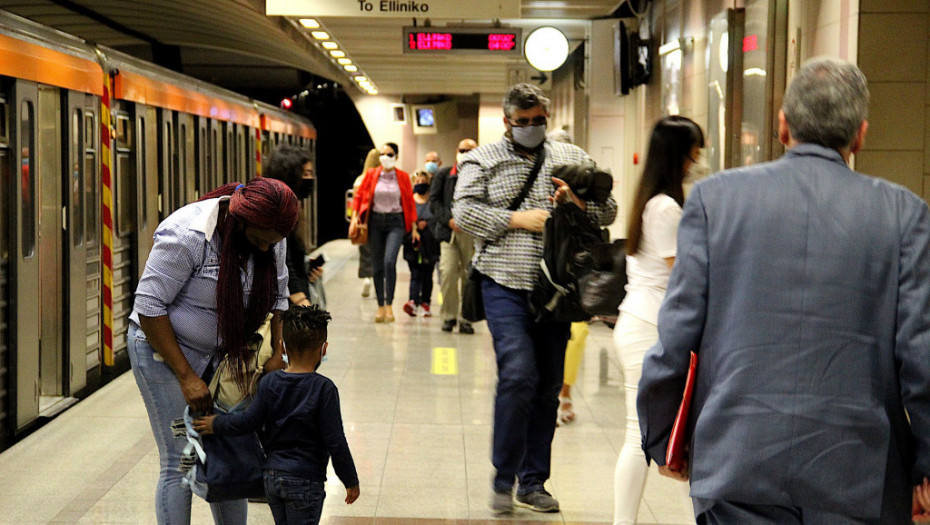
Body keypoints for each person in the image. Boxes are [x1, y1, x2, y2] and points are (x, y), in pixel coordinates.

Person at [638, 57, 930, 524]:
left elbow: (676, 334)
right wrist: (925, 465)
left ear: (782, 126)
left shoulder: (716, 201)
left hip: (737, 459)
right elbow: (921, 353)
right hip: (858, 473)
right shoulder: (904, 215)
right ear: (860, 135)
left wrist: (661, 436)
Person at [453, 83, 617, 513]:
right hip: (503, 283)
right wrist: (515, 218)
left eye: (536, 121)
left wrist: (576, 205)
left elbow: (609, 211)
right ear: (506, 121)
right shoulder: (482, 159)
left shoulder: (573, 157)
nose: (529, 127)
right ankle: (502, 477)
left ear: (546, 117)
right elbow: (463, 211)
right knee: (519, 374)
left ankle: (533, 481)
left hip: (557, 291)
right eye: (521, 122)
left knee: (546, 386)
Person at [127, 177, 299, 525]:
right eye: (260, 241)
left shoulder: (272, 238)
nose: (267, 250)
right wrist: (187, 377)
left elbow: (280, 297)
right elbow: (149, 305)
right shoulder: (187, 235)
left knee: (230, 452)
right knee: (181, 457)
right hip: (163, 355)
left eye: (274, 243)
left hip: (224, 359)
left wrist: (276, 355)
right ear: (241, 220)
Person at [611, 115, 704, 525]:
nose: (697, 159)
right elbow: (683, 272)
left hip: (638, 321)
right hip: (650, 327)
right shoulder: (665, 207)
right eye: (694, 150)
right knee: (641, 435)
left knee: (651, 434)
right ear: (679, 154)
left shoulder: (651, 200)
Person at [194, 305, 360, 525]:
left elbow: (247, 421)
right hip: (306, 479)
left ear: (282, 346)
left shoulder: (270, 382)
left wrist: (217, 423)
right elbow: (335, 441)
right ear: (324, 348)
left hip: (272, 478)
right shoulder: (324, 389)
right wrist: (350, 479)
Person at [350, 142, 418, 322]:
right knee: (377, 264)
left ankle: (390, 304)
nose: (385, 157)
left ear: (396, 156)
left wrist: (414, 227)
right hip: (375, 223)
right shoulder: (372, 174)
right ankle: (380, 306)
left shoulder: (402, 177)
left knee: (389, 261)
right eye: (383, 154)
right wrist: (356, 216)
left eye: (389, 154)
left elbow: (410, 202)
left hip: (396, 222)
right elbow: (359, 196)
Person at [263, 144, 323, 307]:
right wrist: (298, 294)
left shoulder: (290, 204)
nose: (309, 179)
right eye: (305, 174)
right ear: (289, 175)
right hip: (287, 299)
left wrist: (307, 267)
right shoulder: (278, 207)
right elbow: (281, 253)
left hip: (293, 293)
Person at [429, 138, 478, 334]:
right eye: (463, 150)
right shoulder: (444, 174)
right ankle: (448, 316)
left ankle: (466, 318)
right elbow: (434, 202)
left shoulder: (480, 174)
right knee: (448, 272)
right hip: (448, 232)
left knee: (469, 275)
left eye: (470, 150)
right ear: (457, 151)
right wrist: (448, 219)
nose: (465, 153)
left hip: (470, 233)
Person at [403, 171, 440, 316]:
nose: (420, 184)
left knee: (427, 274)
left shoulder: (433, 202)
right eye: (417, 181)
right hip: (413, 244)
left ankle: (426, 302)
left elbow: (437, 219)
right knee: (415, 273)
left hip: (430, 243)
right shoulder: (409, 201)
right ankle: (412, 301)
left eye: (423, 181)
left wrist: (427, 224)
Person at [353, 148, 380, 298]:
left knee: (365, 251)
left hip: (363, 219)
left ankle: (367, 279)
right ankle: (378, 281)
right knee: (378, 251)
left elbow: (355, 202)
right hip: (378, 218)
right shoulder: (382, 178)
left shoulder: (360, 179)